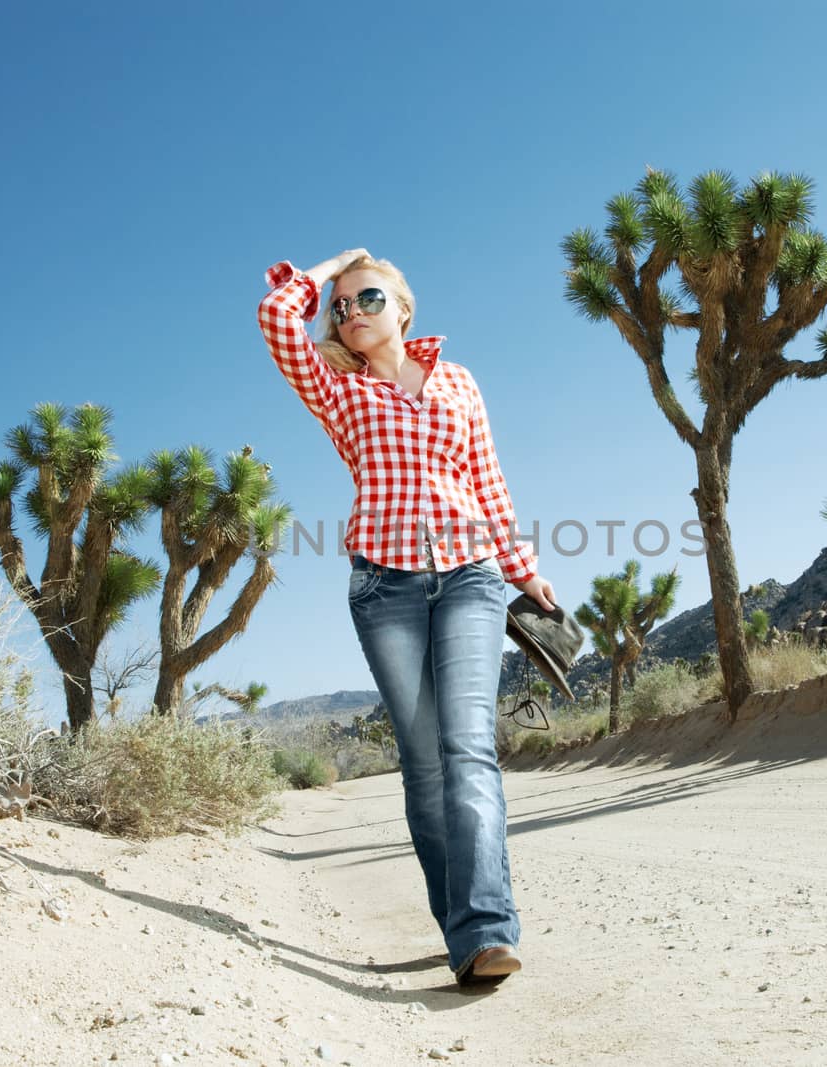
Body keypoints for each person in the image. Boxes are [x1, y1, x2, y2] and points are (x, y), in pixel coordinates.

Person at [257, 249, 556, 987]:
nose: (352, 312)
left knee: (469, 746)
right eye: (342, 306)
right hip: (385, 587)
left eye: (368, 299)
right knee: (424, 762)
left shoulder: (458, 382)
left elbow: (489, 484)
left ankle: (488, 927)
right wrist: (330, 268)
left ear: (405, 308)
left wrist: (525, 571)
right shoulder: (338, 389)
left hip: (470, 577)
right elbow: (273, 319)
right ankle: (460, 927)